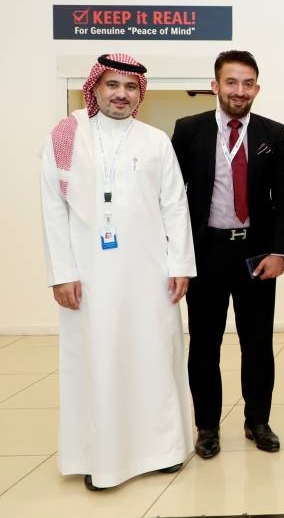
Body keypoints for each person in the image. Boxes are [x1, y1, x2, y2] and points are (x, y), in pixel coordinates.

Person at [40, 53, 196, 490]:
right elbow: (52, 209)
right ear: (95, 88)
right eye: (112, 85)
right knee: (99, 359)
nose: (121, 95)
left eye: (129, 87)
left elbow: (174, 205)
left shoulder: (155, 141)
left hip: (150, 273)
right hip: (89, 274)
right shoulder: (67, 137)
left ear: (139, 94)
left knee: (154, 356)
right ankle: (102, 458)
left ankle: (163, 450)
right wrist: (61, 272)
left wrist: (180, 264)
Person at [172, 50, 284, 459]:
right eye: (231, 82)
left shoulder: (272, 132)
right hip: (206, 252)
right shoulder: (189, 130)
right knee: (204, 344)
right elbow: (170, 196)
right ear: (215, 86)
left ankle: (258, 421)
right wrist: (177, 255)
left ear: (257, 88)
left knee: (257, 343)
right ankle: (207, 426)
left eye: (247, 84)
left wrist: (279, 251)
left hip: (255, 255)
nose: (239, 91)